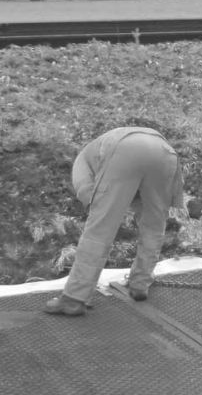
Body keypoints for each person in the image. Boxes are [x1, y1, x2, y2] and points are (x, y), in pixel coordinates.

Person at [45, 127, 184, 316]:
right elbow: (141, 201)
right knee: (154, 225)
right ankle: (140, 284)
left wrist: (109, 211)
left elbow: (91, 202)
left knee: (99, 230)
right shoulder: (99, 148)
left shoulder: (81, 162)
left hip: (125, 150)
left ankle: (74, 298)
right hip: (165, 153)